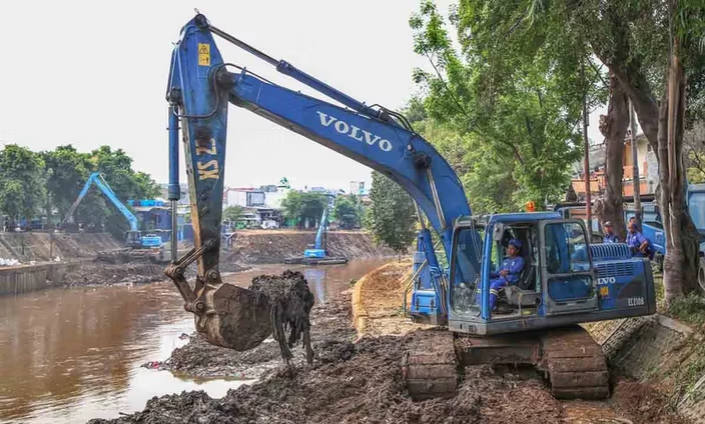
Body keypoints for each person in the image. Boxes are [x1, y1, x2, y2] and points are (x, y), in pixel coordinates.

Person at [488, 239, 525, 311]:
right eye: (508, 248)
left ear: (517, 250)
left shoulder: (520, 260)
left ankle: (490, 307)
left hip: (509, 282)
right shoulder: (506, 261)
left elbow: (516, 270)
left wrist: (508, 272)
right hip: (500, 280)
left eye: (512, 249)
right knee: (484, 283)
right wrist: (487, 273)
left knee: (494, 285)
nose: (509, 250)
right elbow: (497, 273)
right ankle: (479, 304)